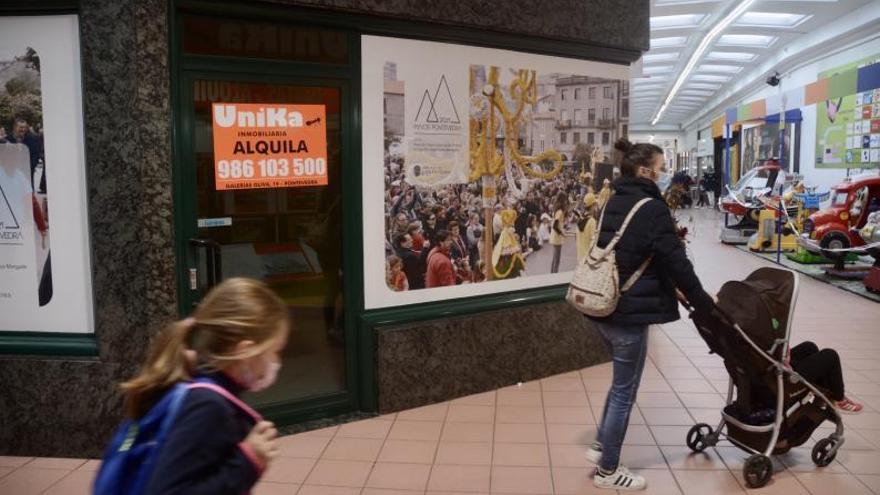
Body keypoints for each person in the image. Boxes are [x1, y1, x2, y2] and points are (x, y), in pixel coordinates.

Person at [585, 138, 717, 491]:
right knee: (625, 390)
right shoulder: (651, 208)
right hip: (628, 311)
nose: (664, 173)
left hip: (601, 303)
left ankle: (601, 446)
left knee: (619, 385)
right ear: (645, 170)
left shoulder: (615, 199)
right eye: (661, 167)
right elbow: (676, 261)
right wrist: (703, 301)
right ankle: (608, 470)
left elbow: (631, 253)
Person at [118, 278, 290, 494]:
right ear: (245, 351)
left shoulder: (201, 382)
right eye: (276, 350)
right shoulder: (208, 407)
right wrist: (248, 459)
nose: (277, 362)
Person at [787, 341, 863, 414]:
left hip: (780, 364)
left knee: (809, 347)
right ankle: (838, 399)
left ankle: (826, 394)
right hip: (785, 377)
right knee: (830, 355)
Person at [576, 193, 598, 263]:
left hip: (580, 257)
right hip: (588, 259)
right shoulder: (592, 221)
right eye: (595, 205)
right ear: (592, 206)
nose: (596, 207)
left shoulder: (579, 219)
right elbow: (594, 242)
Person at [549, 192, 568, 274]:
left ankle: (552, 273)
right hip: (557, 237)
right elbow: (555, 226)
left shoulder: (558, 210)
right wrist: (562, 233)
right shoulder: (559, 212)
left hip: (556, 236)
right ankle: (554, 276)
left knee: (555, 258)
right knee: (557, 259)